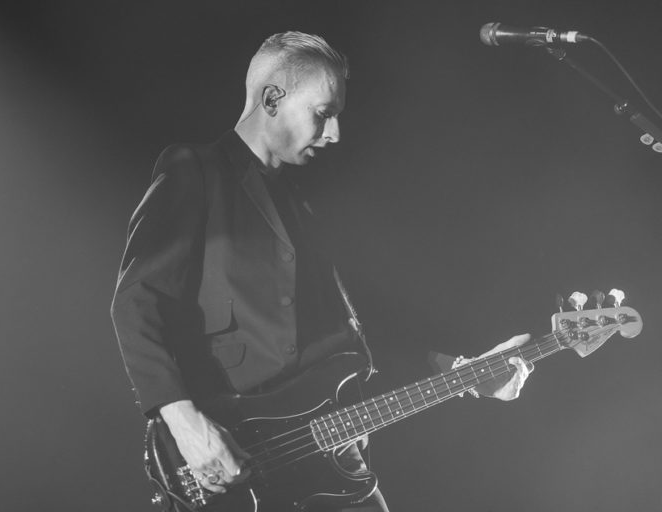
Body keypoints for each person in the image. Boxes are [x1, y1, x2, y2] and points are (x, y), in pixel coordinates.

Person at [110, 31, 532, 512]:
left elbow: (349, 337)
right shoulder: (196, 171)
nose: (334, 134)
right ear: (272, 99)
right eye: (323, 113)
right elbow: (136, 302)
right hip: (235, 456)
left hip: (331, 456)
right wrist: (184, 422)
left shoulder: (300, 202)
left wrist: (462, 372)